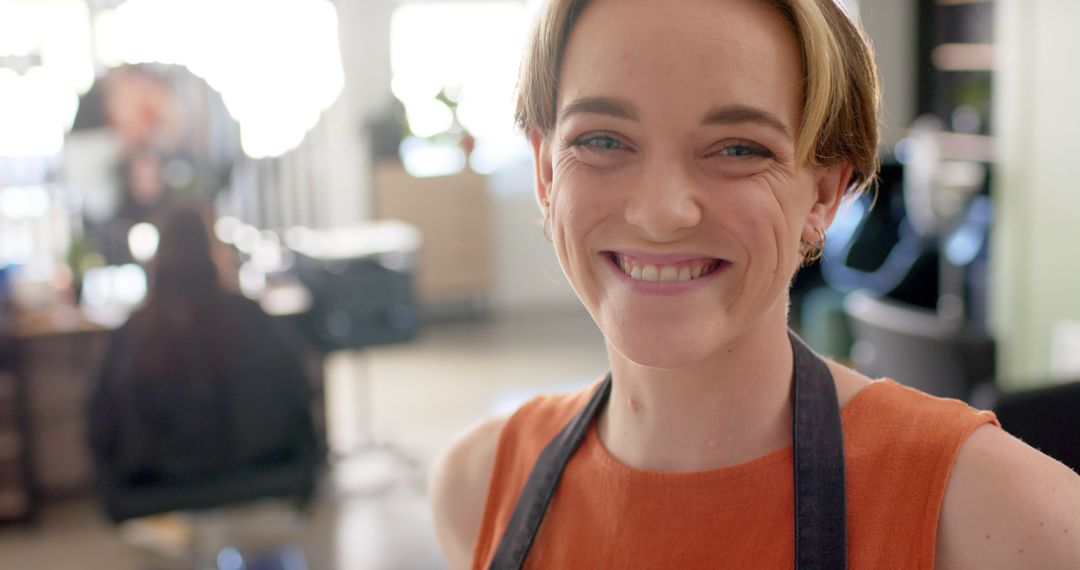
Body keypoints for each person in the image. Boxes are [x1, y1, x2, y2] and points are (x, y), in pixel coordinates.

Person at [429, 0, 1080, 568]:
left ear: (824, 194)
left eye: (738, 148)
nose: (660, 212)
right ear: (546, 174)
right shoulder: (478, 486)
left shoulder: (1001, 518)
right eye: (602, 139)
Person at [89, 205, 317, 517]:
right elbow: (300, 390)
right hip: (256, 475)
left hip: (155, 489)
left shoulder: (134, 333)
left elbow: (101, 423)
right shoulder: (248, 317)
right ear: (213, 251)